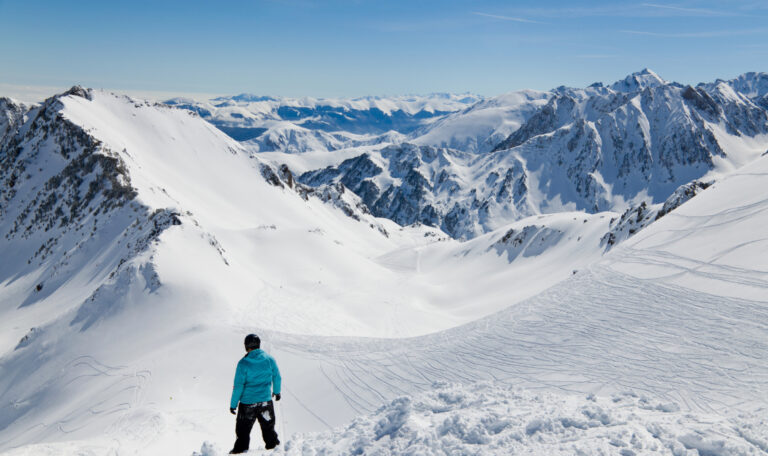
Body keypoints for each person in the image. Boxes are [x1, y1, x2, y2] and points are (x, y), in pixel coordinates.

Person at [229, 334, 282, 454]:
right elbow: (277, 377)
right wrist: (277, 392)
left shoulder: (243, 363)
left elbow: (238, 386)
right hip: (265, 402)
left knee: (243, 432)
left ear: (246, 346)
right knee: (269, 430)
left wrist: (233, 404)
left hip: (248, 404)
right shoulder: (269, 359)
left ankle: (240, 452)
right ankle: (275, 451)